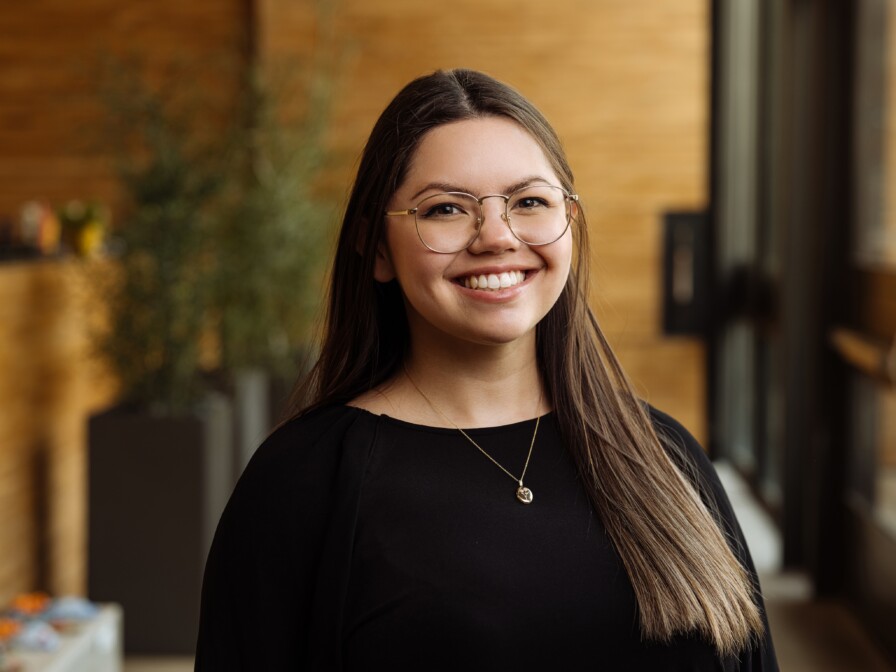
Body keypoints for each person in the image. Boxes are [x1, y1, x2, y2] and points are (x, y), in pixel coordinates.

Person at [195, 68, 778, 670]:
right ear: (375, 249)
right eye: (446, 209)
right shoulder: (303, 482)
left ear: (570, 223)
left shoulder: (662, 455)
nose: (497, 237)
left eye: (529, 201)